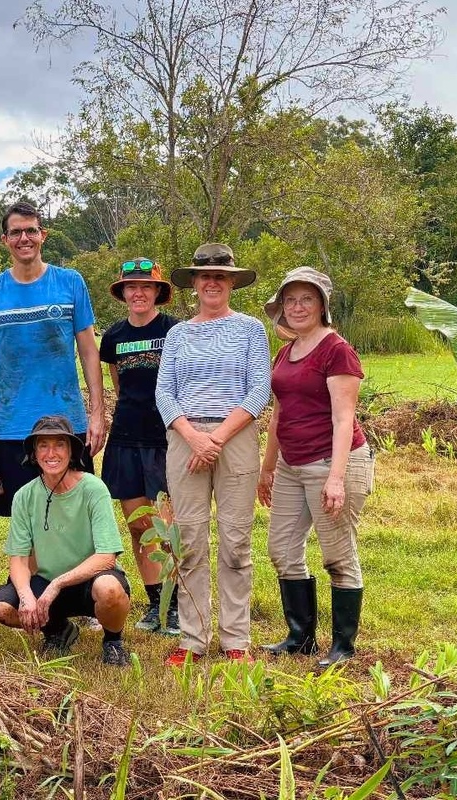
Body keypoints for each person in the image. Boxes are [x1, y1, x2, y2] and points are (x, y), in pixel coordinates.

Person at [154, 243, 271, 666]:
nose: (212, 283)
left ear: (232, 282)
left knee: (236, 540)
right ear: (195, 283)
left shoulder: (251, 329)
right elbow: (163, 392)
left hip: (234, 435)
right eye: (205, 276)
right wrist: (193, 436)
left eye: (220, 276)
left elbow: (259, 389)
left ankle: (235, 637)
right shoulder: (178, 334)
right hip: (185, 436)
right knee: (188, 540)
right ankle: (192, 638)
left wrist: (216, 439)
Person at [258, 267, 373, 671]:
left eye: (307, 299)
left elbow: (344, 419)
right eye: (290, 300)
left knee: (337, 555)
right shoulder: (286, 351)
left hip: (331, 460)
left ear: (322, 305)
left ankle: (343, 644)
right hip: (291, 463)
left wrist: (336, 478)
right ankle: (299, 636)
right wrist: (267, 467)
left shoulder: (336, 349)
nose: (298, 307)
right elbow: (278, 413)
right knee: (282, 549)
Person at [0, 201, 106, 520]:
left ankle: (76, 574)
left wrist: (98, 415)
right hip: (11, 428)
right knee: (23, 522)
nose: (24, 238)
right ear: (4, 240)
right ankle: (25, 574)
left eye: (31, 230)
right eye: (15, 232)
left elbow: (88, 351)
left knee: (74, 519)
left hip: (67, 425)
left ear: (43, 235)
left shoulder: (70, 283)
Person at [0, 415, 132, 666]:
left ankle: (113, 641)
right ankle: (58, 630)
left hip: (90, 580)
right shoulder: (24, 496)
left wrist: (57, 584)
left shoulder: (93, 488)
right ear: (34, 453)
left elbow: (107, 556)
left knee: (109, 589)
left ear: (71, 451)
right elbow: (19, 559)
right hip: (45, 581)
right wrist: (25, 596)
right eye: (43, 445)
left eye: (59, 444)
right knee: (4, 608)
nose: (51, 453)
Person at [98, 257, 181, 637]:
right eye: (132, 287)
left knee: (168, 525)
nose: (138, 293)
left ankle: (176, 606)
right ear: (123, 293)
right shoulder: (113, 337)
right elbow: (119, 387)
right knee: (138, 524)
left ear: (158, 292)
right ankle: (153, 604)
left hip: (166, 437)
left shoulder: (175, 331)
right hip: (127, 437)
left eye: (146, 287)